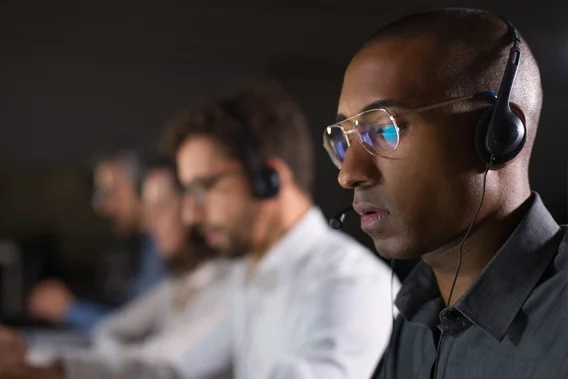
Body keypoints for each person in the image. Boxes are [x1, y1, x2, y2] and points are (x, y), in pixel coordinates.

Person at [322, 7, 568, 378]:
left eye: (385, 130)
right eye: (345, 140)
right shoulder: (414, 320)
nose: (349, 175)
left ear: (497, 135)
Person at [161, 80, 399, 379]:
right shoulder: (252, 273)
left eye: (206, 187)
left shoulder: (349, 284)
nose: (190, 214)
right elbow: (177, 369)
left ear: (270, 179)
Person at [0, 154, 237, 379]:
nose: (150, 222)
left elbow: (163, 366)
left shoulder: (228, 284)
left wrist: (38, 367)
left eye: (161, 208)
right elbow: (114, 332)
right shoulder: (182, 280)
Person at [27, 150, 165, 333]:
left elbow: (137, 333)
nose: (103, 206)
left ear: (142, 187)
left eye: (111, 191)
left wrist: (69, 310)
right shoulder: (144, 246)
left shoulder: (163, 248)